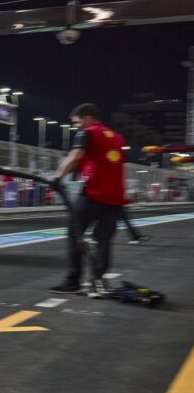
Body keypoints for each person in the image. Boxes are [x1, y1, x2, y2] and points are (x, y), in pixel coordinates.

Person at [49, 103, 127, 298]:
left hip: (94, 193)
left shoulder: (87, 133)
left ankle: (73, 281)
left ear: (87, 118)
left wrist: (57, 177)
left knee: (74, 233)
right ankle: (97, 282)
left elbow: (75, 156)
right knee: (103, 240)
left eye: (77, 122)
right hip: (116, 197)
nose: (76, 127)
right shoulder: (117, 137)